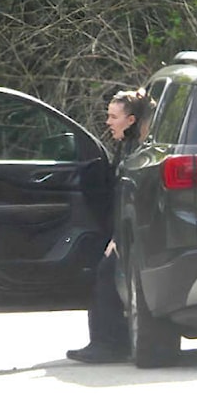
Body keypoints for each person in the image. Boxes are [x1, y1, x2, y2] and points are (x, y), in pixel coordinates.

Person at [67, 88, 152, 363]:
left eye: (113, 116)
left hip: (134, 231)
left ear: (130, 120)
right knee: (100, 268)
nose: (108, 122)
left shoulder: (141, 150)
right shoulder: (126, 145)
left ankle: (109, 344)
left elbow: (135, 198)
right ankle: (112, 341)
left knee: (105, 275)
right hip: (122, 228)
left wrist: (118, 237)